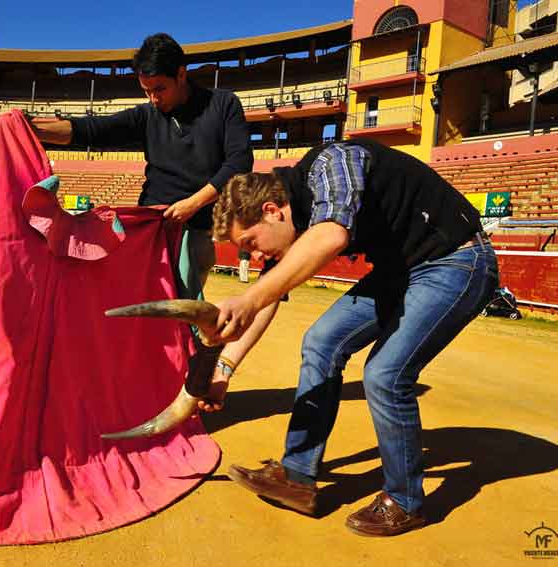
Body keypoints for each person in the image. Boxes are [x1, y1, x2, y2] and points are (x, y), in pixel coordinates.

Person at [202, 139, 499, 536]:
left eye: (250, 244)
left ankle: (405, 501)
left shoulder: (332, 163)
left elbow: (332, 236)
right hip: (402, 270)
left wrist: (251, 297)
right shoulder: (290, 222)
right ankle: (297, 476)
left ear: (272, 211)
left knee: (385, 374)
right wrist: (223, 371)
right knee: (321, 341)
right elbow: (266, 298)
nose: (253, 257)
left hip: (455, 260)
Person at [28, 32, 253, 300]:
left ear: (181, 74)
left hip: (195, 228)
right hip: (148, 228)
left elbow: (240, 162)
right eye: (146, 91)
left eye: (159, 89)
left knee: (179, 310)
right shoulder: (148, 115)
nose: (153, 99)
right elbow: (93, 130)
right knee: (130, 303)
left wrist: (192, 204)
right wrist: (32, 128)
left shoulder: (224, 104)